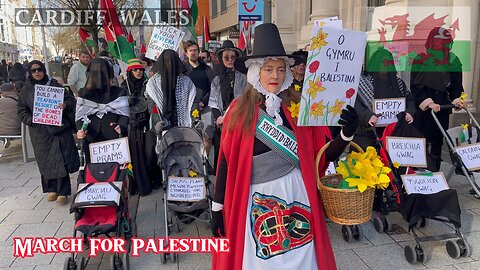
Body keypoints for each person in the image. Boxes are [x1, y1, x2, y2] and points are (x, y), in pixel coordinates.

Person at [211, 23, 358, 270]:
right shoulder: (238, 111)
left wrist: (346, 134)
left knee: (300, 257)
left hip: (297, 195)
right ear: (255, 73)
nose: (275, 75)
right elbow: (225, 160)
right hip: (255, 202)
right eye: (268, 69)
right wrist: (217, 207)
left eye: (280, 69)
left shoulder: (299, 107)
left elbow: (322, 157)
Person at [17, 60, 79, 204]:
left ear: (44, 70)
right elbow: (21, 111)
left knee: (60, 160)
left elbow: (71, 101)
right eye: (33, 70)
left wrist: (65, 105)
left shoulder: (55, 86)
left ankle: (63, 192)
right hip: (39, 132)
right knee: (45, 161)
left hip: (58, 129)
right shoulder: (25, 91)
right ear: (30, 73)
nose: (37, 72)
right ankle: (51, 189)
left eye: (39, 69)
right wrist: (32, 120)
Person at [410, 27, 465, 172]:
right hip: (424, 109)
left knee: (437, 142)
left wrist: (456, 99)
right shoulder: (420, 60)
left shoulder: (453, 61)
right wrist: (428, 102)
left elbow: (455, 85)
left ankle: (435, 172)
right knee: (422, 140)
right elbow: (415, 87)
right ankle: (418, 172)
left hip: (442, 107)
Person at [354, 48, 416, 150]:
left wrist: (409, 112)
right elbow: (355, 104)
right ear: (375, 63)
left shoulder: (398, 83)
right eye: (383, 62)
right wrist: (367, 116)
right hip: (367, 132)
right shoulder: (363, 83)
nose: (386, 65)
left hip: (393, 133)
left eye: (389, 62)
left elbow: (409, 100)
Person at [75, 58, 130, 163]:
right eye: (96, 74)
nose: (99, 78)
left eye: (103, 74)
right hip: (91, 136)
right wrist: (81, 130)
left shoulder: (119, 93)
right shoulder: (83, 93)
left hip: (114, 138)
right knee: (94, 173)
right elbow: (79, 115)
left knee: (116, 172)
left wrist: (121, 126)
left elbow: (124, 114)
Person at [208, 40, 247, 170]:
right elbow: (213, 101)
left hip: (239, 121)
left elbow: (247, 99)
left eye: (232, 57)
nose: (230, 60)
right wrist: (219, 117)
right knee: (223, 155)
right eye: (226, 57)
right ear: (222, 59)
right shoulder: (217, 79)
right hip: (222, 123)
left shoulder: (244, 78)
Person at [120, 58, 152, 196]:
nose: (138, 72)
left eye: (140, 69)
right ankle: (134, 185)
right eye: (135, 69)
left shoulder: (148, 84)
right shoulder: (123, 86)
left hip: (145, 125)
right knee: (132, 156)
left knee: (148, 155)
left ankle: (148, 182)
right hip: (130, 126)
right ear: (129, 71)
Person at [145, 49, 196, 131]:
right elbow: (153, 106)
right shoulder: (153, 83)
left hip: (183, 126)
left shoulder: (186, 82)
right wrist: (157, 122)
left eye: (172, 62)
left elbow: (192, 102)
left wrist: (195, 119)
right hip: (163, 127)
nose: (170, 65)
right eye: (167, 62)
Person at [183, 40, 216, 112]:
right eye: (190, 50)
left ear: (198, 52)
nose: (193, 53)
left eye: (195, 50)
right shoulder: (182, 71)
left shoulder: (207, 69)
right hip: (186, 109)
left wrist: (204, 102)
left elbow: (213, 88)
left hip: (204, 108)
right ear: (186, 53)